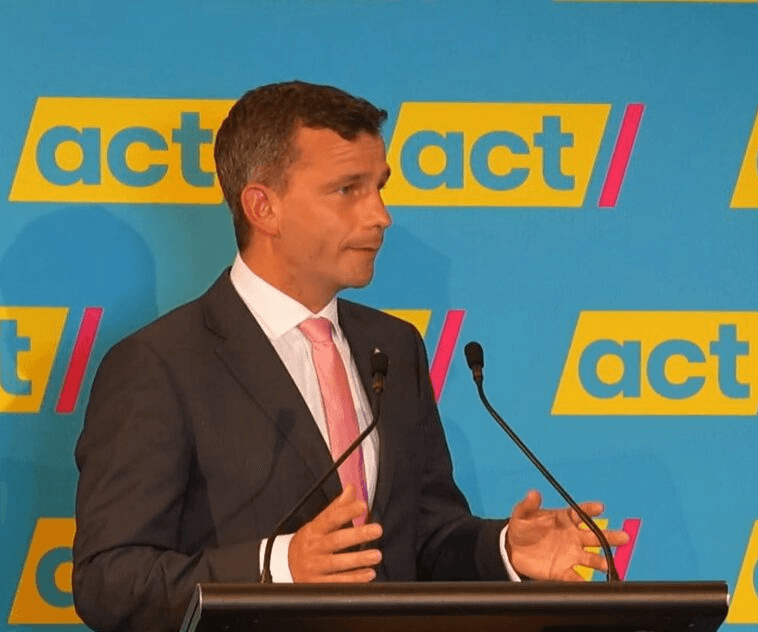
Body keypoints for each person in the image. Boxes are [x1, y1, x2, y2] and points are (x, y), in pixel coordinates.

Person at [72, 80, 629, 632]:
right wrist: (278, 565)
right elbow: (109, 581)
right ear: (263, 206)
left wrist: (505, 549)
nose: (381, 215)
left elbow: (425, 539)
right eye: (348, 190)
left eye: (380, 187)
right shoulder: (159, 365)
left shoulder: (395, 347)